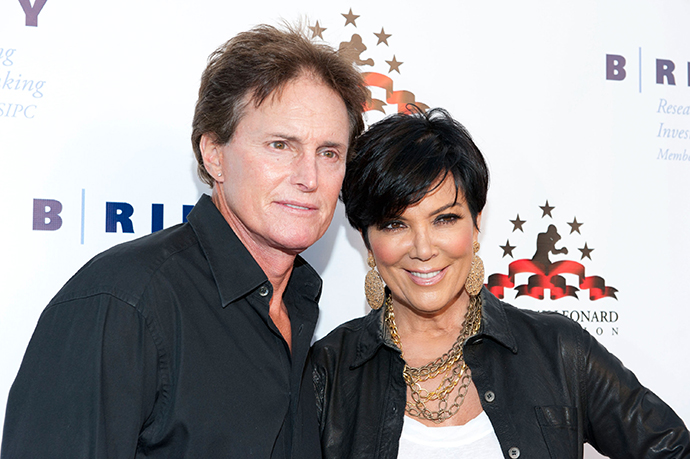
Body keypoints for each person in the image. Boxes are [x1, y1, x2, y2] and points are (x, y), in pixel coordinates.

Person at [2, 24, 367, 458]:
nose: (309, 178)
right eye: (280, 145)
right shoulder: (125, 303)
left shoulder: (301, 308)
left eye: (329, 153)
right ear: (214, 154)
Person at [311, 107, 689, 458]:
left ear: (476, 225)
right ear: (367, 240)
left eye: (444, 219)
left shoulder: (558, 351)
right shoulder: (327, 372)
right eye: (395, 224)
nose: (423, 249)